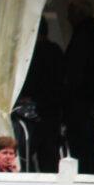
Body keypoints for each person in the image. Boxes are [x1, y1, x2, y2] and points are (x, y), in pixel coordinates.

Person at [62, 0, 94, 174]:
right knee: (88, 145)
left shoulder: (84, 36)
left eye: (70, 14)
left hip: (80, 101)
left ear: (78, 15)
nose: (68, 19)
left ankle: (87, 178)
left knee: (82, 146)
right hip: (89, 100)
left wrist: (67, 97)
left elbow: (75, 72)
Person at [17, 18, 64, 172]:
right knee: (49, 157)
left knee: (27, 153)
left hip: (33, 110)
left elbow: (30, 81)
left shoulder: (32, 52)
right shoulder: (56, 51)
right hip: (53, 110)